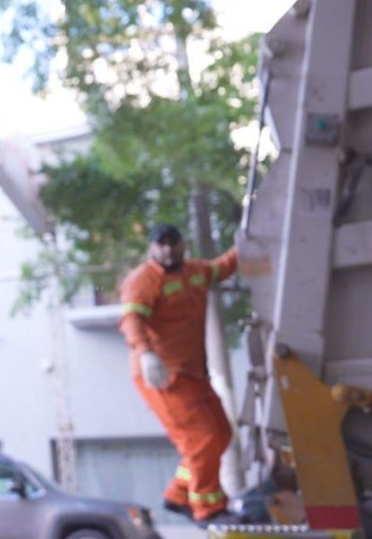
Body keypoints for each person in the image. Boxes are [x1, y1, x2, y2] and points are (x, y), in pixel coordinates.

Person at [118, 223, 238, 526]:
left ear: (182, 245)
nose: (168, 250)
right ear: (151, 248)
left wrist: (246, 245)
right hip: (164, 377)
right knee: (202, 440)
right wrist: (145, 352)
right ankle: (209, 509)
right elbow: (132, 319)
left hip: (193, 373)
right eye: (161, 244)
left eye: (173, 243)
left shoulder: (195, 272)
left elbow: (222, 267)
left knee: (221, 434)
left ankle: (179, 494)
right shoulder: (143, 280)